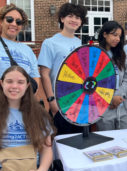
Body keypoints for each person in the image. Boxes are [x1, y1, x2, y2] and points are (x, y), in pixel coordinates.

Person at [38, 2, 87, 135]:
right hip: (60, 103)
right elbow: (44, 74)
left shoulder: (80, 43)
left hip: (79, 102)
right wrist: (51, 100)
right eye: (70, 16)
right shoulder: (50, 43)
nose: (74, 20)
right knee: (61, 142)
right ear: (62, 18)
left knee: (78, 140)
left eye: (78, 17)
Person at [96, 21, 127, 130]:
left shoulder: (122, 55)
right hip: (104, 111)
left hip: (124, 108)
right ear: (104, 34)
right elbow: (92, 84)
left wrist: (118, 95)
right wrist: (111, 98)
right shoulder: (95, 55)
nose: (117, 39)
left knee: (126, 143)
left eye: (119, 36)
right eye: (114, 34)